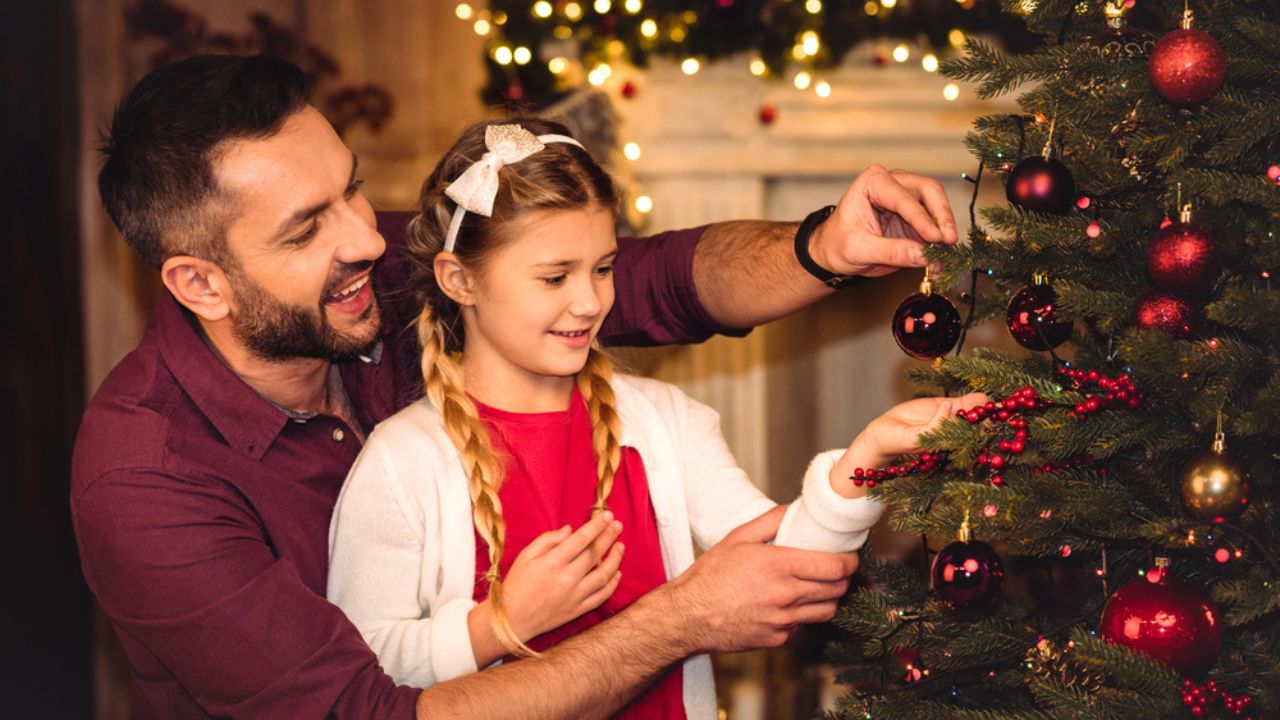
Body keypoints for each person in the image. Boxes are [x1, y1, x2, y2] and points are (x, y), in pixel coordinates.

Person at [71, 54, 961, 719]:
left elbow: (654, 280)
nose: (370, 241)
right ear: (201, 284)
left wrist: (821, 249)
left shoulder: (374, 282)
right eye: (309, 228)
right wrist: (669, 621)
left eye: (353, 191)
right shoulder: (144, 477)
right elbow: (369, 711)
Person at [326, 119, 984, 719]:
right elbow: (361, 676)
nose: (589, 302)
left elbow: (790, 571)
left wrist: (864, 460)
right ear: (459, 280)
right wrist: (501, 623)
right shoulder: (400, 461)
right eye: (554, 278)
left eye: (604, 268)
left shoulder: (668, 425)